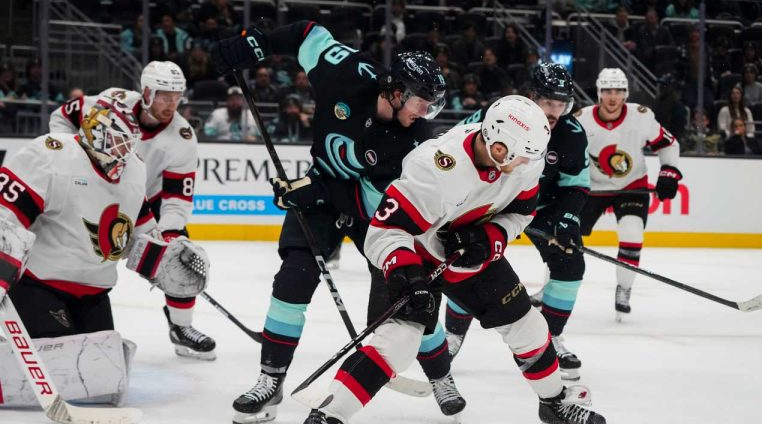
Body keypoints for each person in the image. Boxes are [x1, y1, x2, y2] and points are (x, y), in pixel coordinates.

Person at [212, 21, 467, 423]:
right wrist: (256, 46)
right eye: (421, 102)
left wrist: (313, 192)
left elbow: (375, 202)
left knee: (409, 295)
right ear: (396, 91)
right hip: (323, 190)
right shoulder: (347, 73)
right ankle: (270, 379)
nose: (425, 113)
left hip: (377, 215)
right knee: (292, 280)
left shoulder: (416, 142)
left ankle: (441, 376)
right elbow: (307, 33)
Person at [302, 95, 606, 424]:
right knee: (399, 342)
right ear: (499, 148)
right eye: (522, 156)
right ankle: (327, 415)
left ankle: (554, 403)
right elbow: (385, 230)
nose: (528, 164)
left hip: (468, 254)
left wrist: (491, 237)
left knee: (528, 327)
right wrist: (405, 271)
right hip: (414, 253)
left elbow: (521, 213)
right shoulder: (434, 167)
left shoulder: (526, 160)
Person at [0, 98, 209, 407]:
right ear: (94, 134)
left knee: (100, 380)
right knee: (67, 370)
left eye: (129, 144)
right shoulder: (51, 155)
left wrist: (165, 262)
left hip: (94, 293)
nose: (124, 153)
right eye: (117, 143)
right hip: (39, 286)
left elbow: (140, 236)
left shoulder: (134, 170)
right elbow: (6, 218)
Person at [48, 61, 217, 360]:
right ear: (147, 92)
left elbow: (177, 197)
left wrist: (170, 233)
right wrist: (69, 158)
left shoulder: (182, 137)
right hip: (95, 189)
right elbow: (62, 116)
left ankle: (181, 327)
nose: (171, 104)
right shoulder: (112, 102)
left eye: (177, 97)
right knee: (80, 250)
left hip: (145, 202)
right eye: (164, 96)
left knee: (181, 257)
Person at [443, 63, 591, 381]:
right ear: (532, 96)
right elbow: (457, 144)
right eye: (549, 102)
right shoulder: (500, 113)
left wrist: (566, 220)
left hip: (542, 205)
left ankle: (550, 338)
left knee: (571, 263)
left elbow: (577, 185)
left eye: (562, 104)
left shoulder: (571, 134)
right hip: (491, 198)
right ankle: (452, 336)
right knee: (467, 259)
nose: (555, 112)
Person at [575, 68, 682, 321]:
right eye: (607, 91)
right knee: (565, 238)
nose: (613, 97)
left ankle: (624, 289)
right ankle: (550, 287)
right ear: (599, 93)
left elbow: (668, 144)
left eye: (618, 91)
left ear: (626, 94)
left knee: (632, 232)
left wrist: (668, 172)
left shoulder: (641, 117)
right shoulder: (581, 120)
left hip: (632, 187)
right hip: (593, 187)